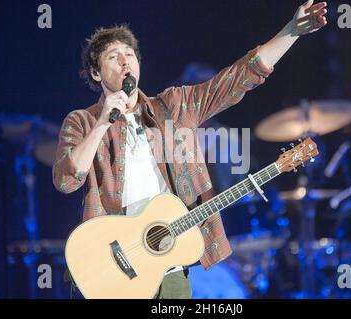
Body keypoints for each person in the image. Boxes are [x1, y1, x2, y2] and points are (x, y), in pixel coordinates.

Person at [53, 0, 327, 299]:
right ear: (96, 73)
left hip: (167, 269)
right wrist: (103, 123)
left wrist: (291, 31)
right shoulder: (82, 121)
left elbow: (236, 79)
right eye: (113, 57)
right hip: (111, 266)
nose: (125, 62)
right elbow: (67, 181)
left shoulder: (173, 106)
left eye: (130, 55)